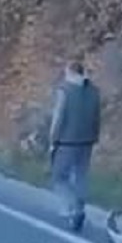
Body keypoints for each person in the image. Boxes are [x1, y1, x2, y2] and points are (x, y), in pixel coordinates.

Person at [48, 60, 102, 232]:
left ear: (70, 73)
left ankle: (74, 207)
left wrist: (52, 140)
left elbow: (58, 117)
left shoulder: (65, 91)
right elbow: (97, 117)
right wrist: (94, 136)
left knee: (59, 176)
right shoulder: (94, 92)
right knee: (80, 175)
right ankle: (79, 203)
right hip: (87, 141)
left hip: (66, 140)